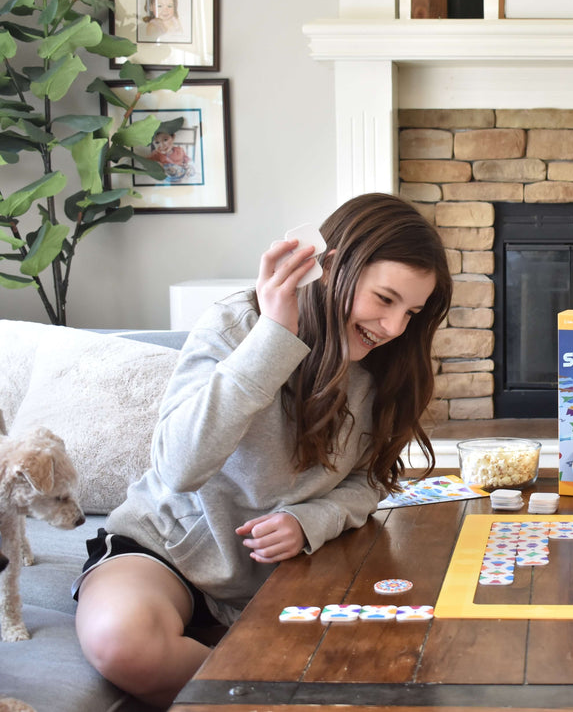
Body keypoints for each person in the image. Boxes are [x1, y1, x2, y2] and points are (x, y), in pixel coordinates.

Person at [73, 193, 454, 708]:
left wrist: (310, 519)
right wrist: (274, 337)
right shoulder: (236, 325)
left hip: (285, 576)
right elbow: (178, 470)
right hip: (167, 551)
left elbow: (370, 480)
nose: (394, 328)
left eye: (411, 311)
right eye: (384, 299)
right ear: (328, 268)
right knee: (121, 644)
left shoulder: (387, 367)